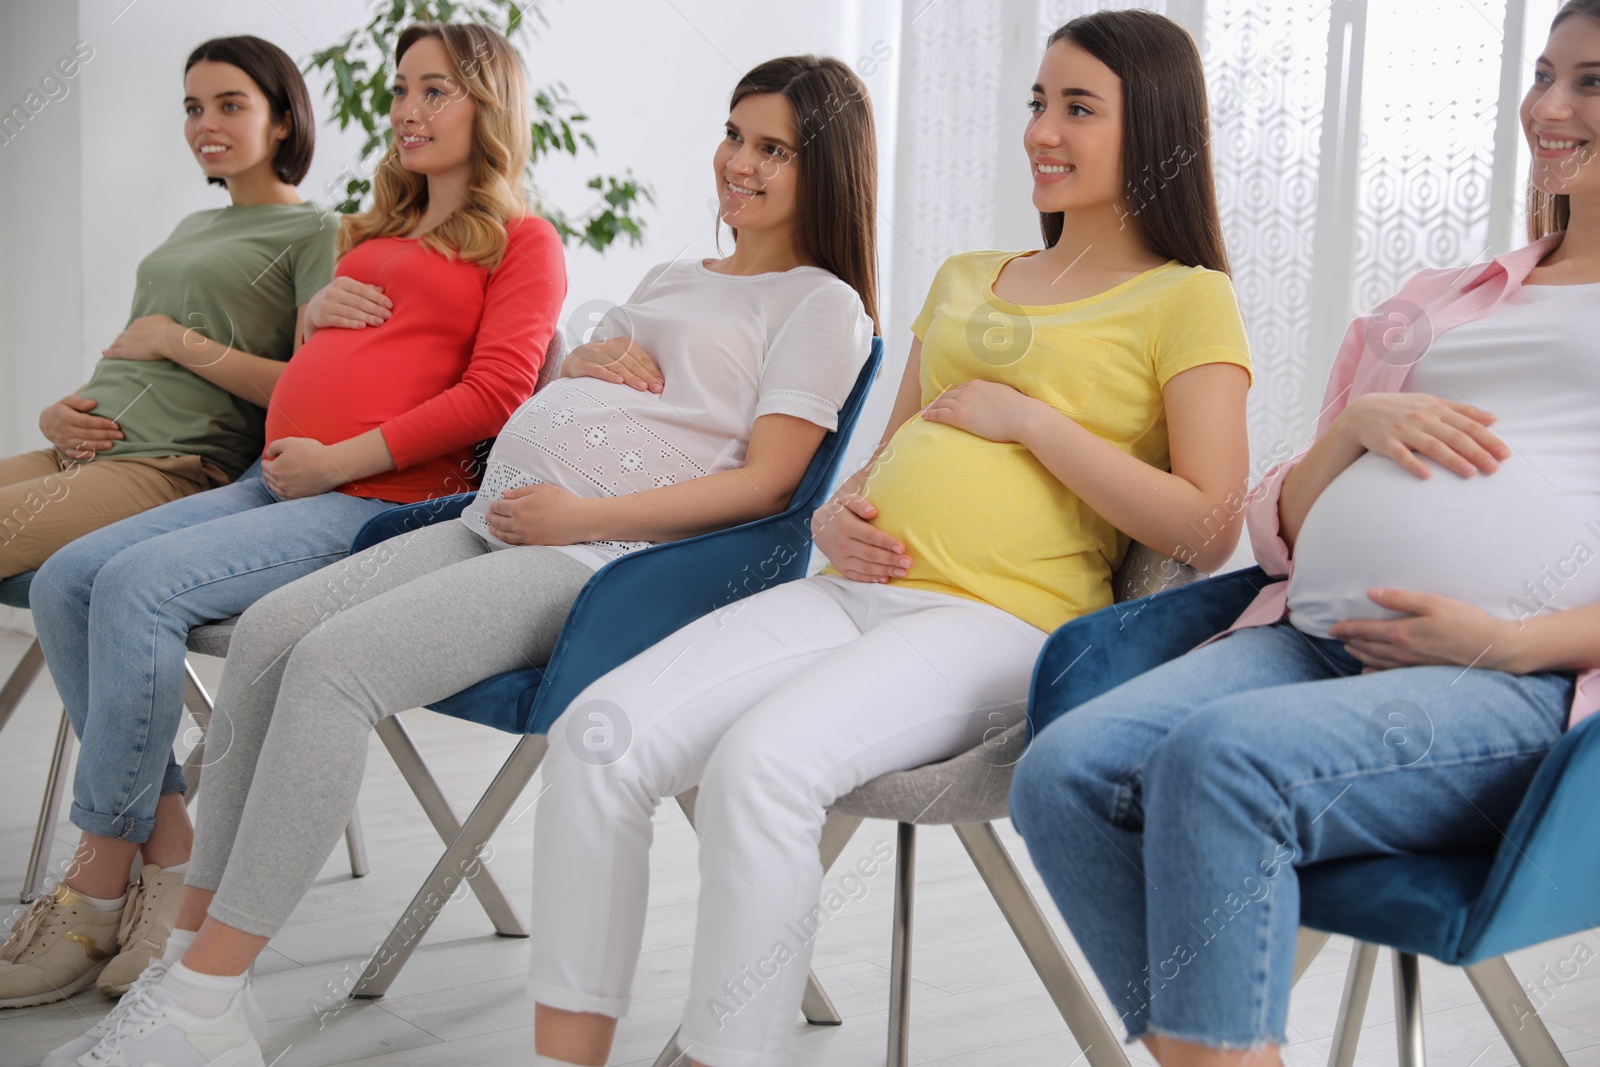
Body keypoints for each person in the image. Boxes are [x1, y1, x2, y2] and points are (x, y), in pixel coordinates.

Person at [52, 52, 880, 1067]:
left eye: (773, 149)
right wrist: (579, 366)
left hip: (603, 564)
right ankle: (186, 979)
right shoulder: (674, 276)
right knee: (271, 634)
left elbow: (770, 488)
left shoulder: (819, 304)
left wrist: (583, 515)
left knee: (331, 667)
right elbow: (585, 378)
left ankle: (213, 997)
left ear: (825, 169)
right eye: (733, 133)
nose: (738, 163)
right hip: (498, 517)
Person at [523, 11, 1250, 1067]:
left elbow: (1210, 524)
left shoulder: (1188, 300)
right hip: (851, 589)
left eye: (1078, 107)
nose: (1042, 129)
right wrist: (835, 507)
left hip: (1002, 620)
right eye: (1038, 103)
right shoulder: (967, 275)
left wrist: (1032, 421)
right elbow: (893, 445)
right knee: (598, 737)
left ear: (1157, 129)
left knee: (760, 768)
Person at [1009, 4, 1600, 1066]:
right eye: (1545, 72)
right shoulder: (1443, 300)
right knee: (1064, 771)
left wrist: (1511, 642)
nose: (1548, 107)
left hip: (1509, 680)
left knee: (1224, 762)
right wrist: (1351, 433)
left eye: (1590, 82)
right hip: (1306, 635)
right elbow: (1270, 527)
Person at [7, 20, 563, 1023]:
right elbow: (312, 355)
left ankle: (96, 890)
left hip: (375, 501)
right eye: (402, 89)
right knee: (62, 578)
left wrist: (340, 457)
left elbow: (496, 394)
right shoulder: (367, 233)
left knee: (134, 587)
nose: (406, 109)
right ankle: (164, 856)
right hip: (279, 480)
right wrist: (311, 334)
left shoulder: (525, 243)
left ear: (490, 103)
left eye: (435, 90)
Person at [0, 35, 333, 581]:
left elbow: (305, 392)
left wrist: (174, 341)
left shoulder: (317, 230)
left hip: (166, 465)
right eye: (193, 109)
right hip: (79, 452)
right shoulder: (193, 225)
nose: (205, 124)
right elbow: (131, 354)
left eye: (230, 105)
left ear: (282, 121)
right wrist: (55, 415)